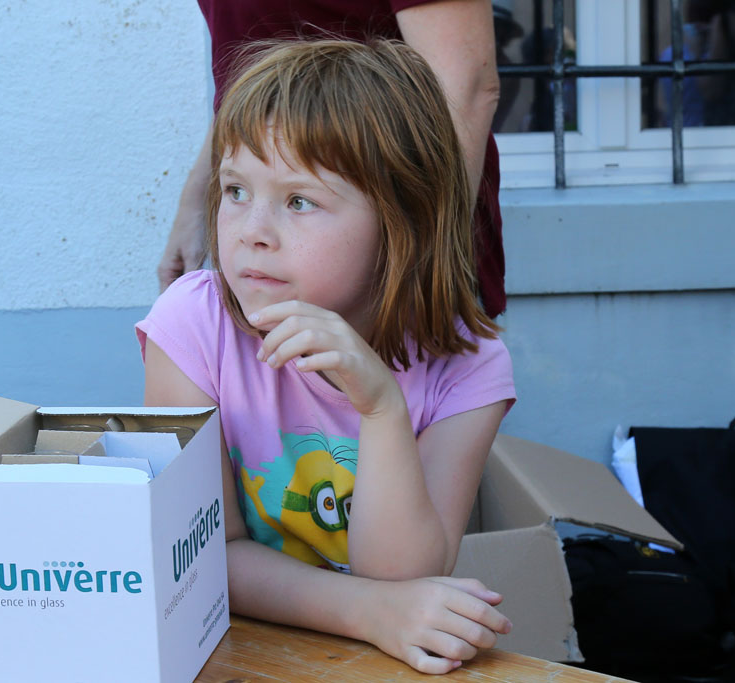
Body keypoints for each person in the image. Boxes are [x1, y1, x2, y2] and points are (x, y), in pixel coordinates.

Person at [139, 39, 516, 674]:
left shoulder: (469, 367)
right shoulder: (193, 326)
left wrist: (382, 408)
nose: (252, 231)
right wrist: (366, 611)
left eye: (299, 201)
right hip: (228, 652)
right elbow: (199, 554)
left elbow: (402, 576)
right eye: (236, 190)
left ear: (402, 220)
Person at [158, 1, 507, 319]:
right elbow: (260, 93)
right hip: (277, 258)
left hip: (384, 273)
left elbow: (466, 85)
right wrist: (199, 201)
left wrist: (421, 263)